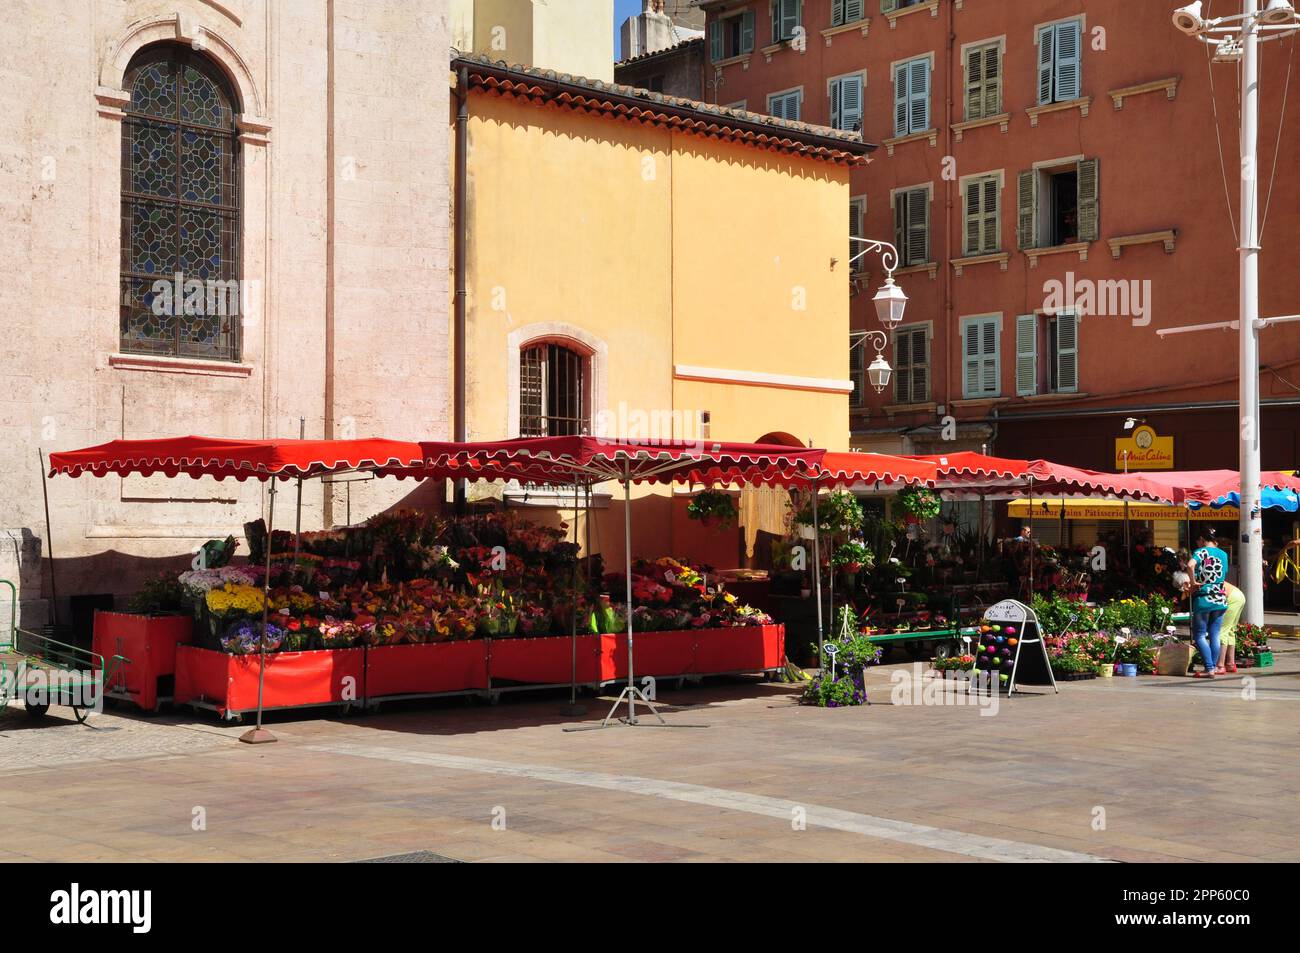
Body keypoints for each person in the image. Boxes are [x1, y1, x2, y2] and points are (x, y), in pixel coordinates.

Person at [1188, 529, 1230, 679]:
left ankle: (1209, 668)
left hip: (1204, 598)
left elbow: (1190, 565)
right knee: (1215, 635)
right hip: (1220, 599)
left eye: (1198, 541)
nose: (1197, 544)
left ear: (1202, 539)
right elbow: (1224, 574)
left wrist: (1193, 583)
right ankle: (1213, 667)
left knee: (1199, 635)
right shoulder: (1223, 554)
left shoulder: (1201, 552)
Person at [1217, 581, 1246, 674]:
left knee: (1222, 630)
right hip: (1239, 595)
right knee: (1230, 630)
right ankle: (1230, 664)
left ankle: (1220, 666)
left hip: (1232, 598)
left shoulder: (1198, 579)